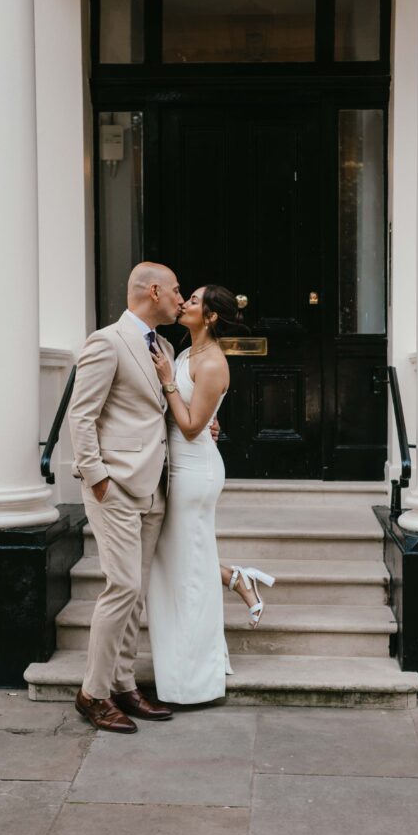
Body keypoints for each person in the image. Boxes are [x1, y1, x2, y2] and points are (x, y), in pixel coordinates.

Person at [68, 261, 183, 734]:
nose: (180, 298)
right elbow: (81, 415)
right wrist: (97, 478)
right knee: (123, 588)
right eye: (175, 290)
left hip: (155, 486)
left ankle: (123, 684)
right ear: (152, 291)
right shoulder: (106, 342)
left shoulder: (167, 347)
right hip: (114, 484)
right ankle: (92, 693)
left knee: (135, 594)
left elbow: (157, 413)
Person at [147, 285, 275, 705]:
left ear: (212, 317)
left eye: (195, 301)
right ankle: (236, 578)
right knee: (182, 563)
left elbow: (188, 426)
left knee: (188, 574)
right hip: (177, 469)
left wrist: (167, 382)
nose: (184, 303)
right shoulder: (185, 354)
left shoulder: (214, 363)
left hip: (195, 473)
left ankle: (194, 683)